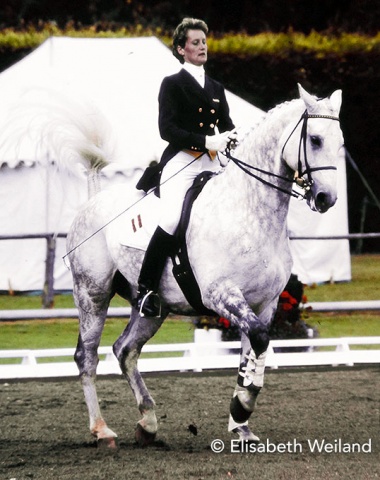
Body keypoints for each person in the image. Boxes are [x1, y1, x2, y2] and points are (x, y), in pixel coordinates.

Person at [134, 17, 236, 317]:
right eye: (195, 43)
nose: (202, 47)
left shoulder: (216, 86)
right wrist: (206, 141)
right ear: (181, 49)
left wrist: (232, 137)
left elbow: (227, 124)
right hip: (182, 161)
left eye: (204, 42)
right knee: (171, 218)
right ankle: (146, 288)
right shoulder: (173, 84)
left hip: (213, 160)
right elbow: (167, 129)